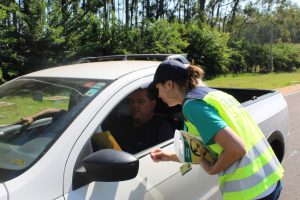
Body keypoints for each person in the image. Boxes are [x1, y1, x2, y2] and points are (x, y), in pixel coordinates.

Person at [149, 60, 283, 200]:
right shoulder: (213, 95)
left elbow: (236, 148)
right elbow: (198, 151)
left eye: (158, 88)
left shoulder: (192, 107)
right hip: (270, 180)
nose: (159, 95)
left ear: (169, 85)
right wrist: (168, 156)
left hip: (250, 192)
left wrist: (212, 169)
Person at [103, 87, 175, 154]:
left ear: (152, 104)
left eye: (140, 101)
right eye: (132, 101)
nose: (134, 105)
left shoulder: (162, 129)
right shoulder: (122, 123)